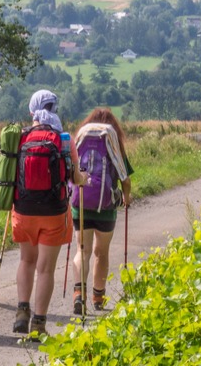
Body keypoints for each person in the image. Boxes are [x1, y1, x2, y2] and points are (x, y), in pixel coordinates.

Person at [11, 90, 86, 337]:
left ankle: (22, 311)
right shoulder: (64, 139)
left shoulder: (20, 137)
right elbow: (75, 178)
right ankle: (39, 324)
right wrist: (82, 179)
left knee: (26, 260)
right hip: (54, 211)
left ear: (32, 110)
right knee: (45, 268)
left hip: (23, 210)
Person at [70, 107, 133, 315]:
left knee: (82, 251)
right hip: (106, 208)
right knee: (101, 252)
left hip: (81, 204)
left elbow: (71, 169)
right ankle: (98, 297)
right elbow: (125, 177)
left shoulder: (81, 139)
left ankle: (79, 294)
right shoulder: (113, 142)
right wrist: (126, 196)